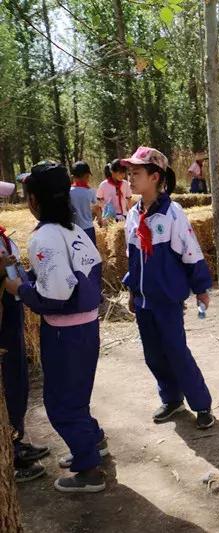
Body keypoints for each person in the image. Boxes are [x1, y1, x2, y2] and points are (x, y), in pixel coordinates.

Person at [3, 161, 107, 492]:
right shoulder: (74, 230)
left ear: (34, 201)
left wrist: (19, 288)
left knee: (61, 404)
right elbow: (83, 274)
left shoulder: (43, 238)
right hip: (87, 327)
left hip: (64, 332)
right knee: (78, 394)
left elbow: (57, 294)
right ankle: (92, 444)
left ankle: (89, 470)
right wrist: (31, 277)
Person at [121, 146, 215, 430]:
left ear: (155, 177)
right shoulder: (133, 215)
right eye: (129, 173)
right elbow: (132, 258)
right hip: (143, 301)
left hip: (166, 301)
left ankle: (201, 404)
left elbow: (191, 252)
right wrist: (132, 292)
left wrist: (201, 289)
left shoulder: (171, 214)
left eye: (136, 173)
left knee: (176, 351)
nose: (131, 178)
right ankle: (172, 398)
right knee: (153, 354)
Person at [0, 183, 50, 483]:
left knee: (17, 377)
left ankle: (16, 439)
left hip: (12, 312)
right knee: (7, 381)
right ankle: (11, 455)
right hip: (3, 316)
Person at [69, 161, 98, 245]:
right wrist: (99, 219)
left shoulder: (68, 192)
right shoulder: (90, 191)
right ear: (86, 176)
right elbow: (96, 207)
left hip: (74, 228)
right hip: (88, 227)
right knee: (91, 251)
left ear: (73, 177)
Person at [97, 159, 133, 224]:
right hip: (109, 219)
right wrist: (104, 212)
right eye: (120, 173)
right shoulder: (103, 185)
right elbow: (99, 200)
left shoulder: (125, 184)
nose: (123, 175)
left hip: (123, 217)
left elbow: (129, 199)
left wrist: (131, 214)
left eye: (124, 172)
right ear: (112, 172)